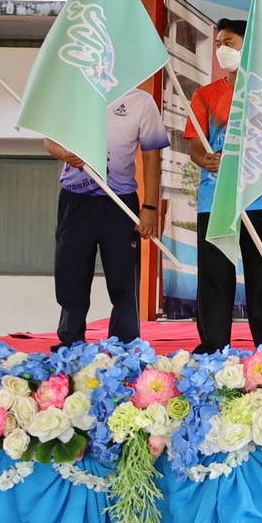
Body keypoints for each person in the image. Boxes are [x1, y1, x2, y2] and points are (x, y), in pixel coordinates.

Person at [185, 18, 262, 355]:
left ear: (248, 48)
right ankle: (214, 346)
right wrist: (206, 160)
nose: (221, 49)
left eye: (229, 42)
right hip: (216, 202)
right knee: (215, 278)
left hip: (261, 202)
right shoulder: (205, 96)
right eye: (219, 43)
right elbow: (195, 146)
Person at [45, 89, 166, 347]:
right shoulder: (76, 91)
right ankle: (70, 340)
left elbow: (151, 155)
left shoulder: (142, 101)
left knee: (124, 273)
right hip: (75, 200)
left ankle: (125, 343)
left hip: (120, 202)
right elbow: (50, 140)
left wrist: (150, 207)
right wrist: (64, 154)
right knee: (71, 272)